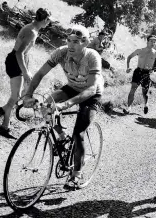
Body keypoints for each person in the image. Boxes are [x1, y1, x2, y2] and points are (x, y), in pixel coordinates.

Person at [23, 25, 104, 190]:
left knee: (78, 134)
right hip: (72, 87)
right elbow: (39, 74)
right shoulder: (61, 52)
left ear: (86, 42)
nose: (71, 45)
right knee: (45, 105)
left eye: (76, 42)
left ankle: (76, 175)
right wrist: (28, 94)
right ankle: (60, 134)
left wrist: (65, 105)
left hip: (91, 93)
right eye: (68, 40)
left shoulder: (92, 57)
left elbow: (90, 89)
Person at [0, 8, 52, 138]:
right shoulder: (31, 32)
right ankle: (4, 127)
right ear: (45, 19)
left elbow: (23, 53)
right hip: (15, 62)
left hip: (18, 61)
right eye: (48, 21)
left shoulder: (32, 28)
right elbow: (19, 53)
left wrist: (26, 69)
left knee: (18, 96)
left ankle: (2, 111)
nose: (48, 24)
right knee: (16, 96)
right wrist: (25, 72)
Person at [124, 35, 156, 115]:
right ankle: (128, 108)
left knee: (145, 92)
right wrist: (128, 67)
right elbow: (129, 57)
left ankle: (146, 104)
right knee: (132, 89)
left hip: (147, 74)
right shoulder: (140, 50)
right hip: (138, 72)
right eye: (151, 41)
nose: (153, 43)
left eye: (154, 42)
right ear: (147, 41)